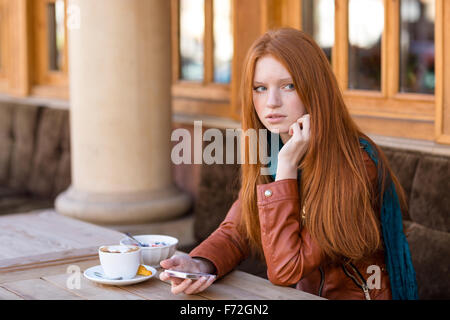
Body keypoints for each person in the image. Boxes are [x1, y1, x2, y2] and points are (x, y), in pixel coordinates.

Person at [160, 28, 418, 300]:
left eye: (288, 86)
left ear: (314, 90)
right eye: (260, 88)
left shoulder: (355, 163)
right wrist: (200, 263)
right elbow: (240, 229)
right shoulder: (271, 146)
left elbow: (286, 270)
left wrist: (285, 170)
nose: (271, 102)